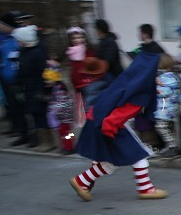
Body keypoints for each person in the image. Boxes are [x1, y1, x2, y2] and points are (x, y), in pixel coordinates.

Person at [68, 52, 168, 202]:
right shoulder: (139, 93)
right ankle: (146, 189)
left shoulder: (126, 81)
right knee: (139, 156)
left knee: (110, 162)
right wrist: (109, 135)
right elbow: (118, 116)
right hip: (108, 124)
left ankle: (82, 181)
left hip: (97, 120)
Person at [12, 25, 48, 148]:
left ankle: (47, 142)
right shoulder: (23, 51)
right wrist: (17, 85)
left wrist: (41, 90)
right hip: (27, 87)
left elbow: (42, 72)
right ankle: (38, 139)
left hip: (36, 87)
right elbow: (20, 70)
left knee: (40, 114)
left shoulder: (37, 52)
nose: (17, 42)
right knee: (32, 113)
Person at [153, 54, 181, 158]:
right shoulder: (165, 76)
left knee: (161, 126)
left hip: (167, 108)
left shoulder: (168, 77)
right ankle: (171, 145)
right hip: (165, 107)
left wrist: (155, 87)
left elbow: (165, 92)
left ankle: (172, 146)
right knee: (165, 127)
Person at [44, 63, 75, 154]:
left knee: (65, 133)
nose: (46, 82)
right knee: (65, 132)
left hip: (64, 116)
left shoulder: (60, 90)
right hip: (63, 115)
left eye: (48, 80)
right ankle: (68, 146)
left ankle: (69, 147)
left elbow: (62, 103)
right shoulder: (57, 88)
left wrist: (53, 110)